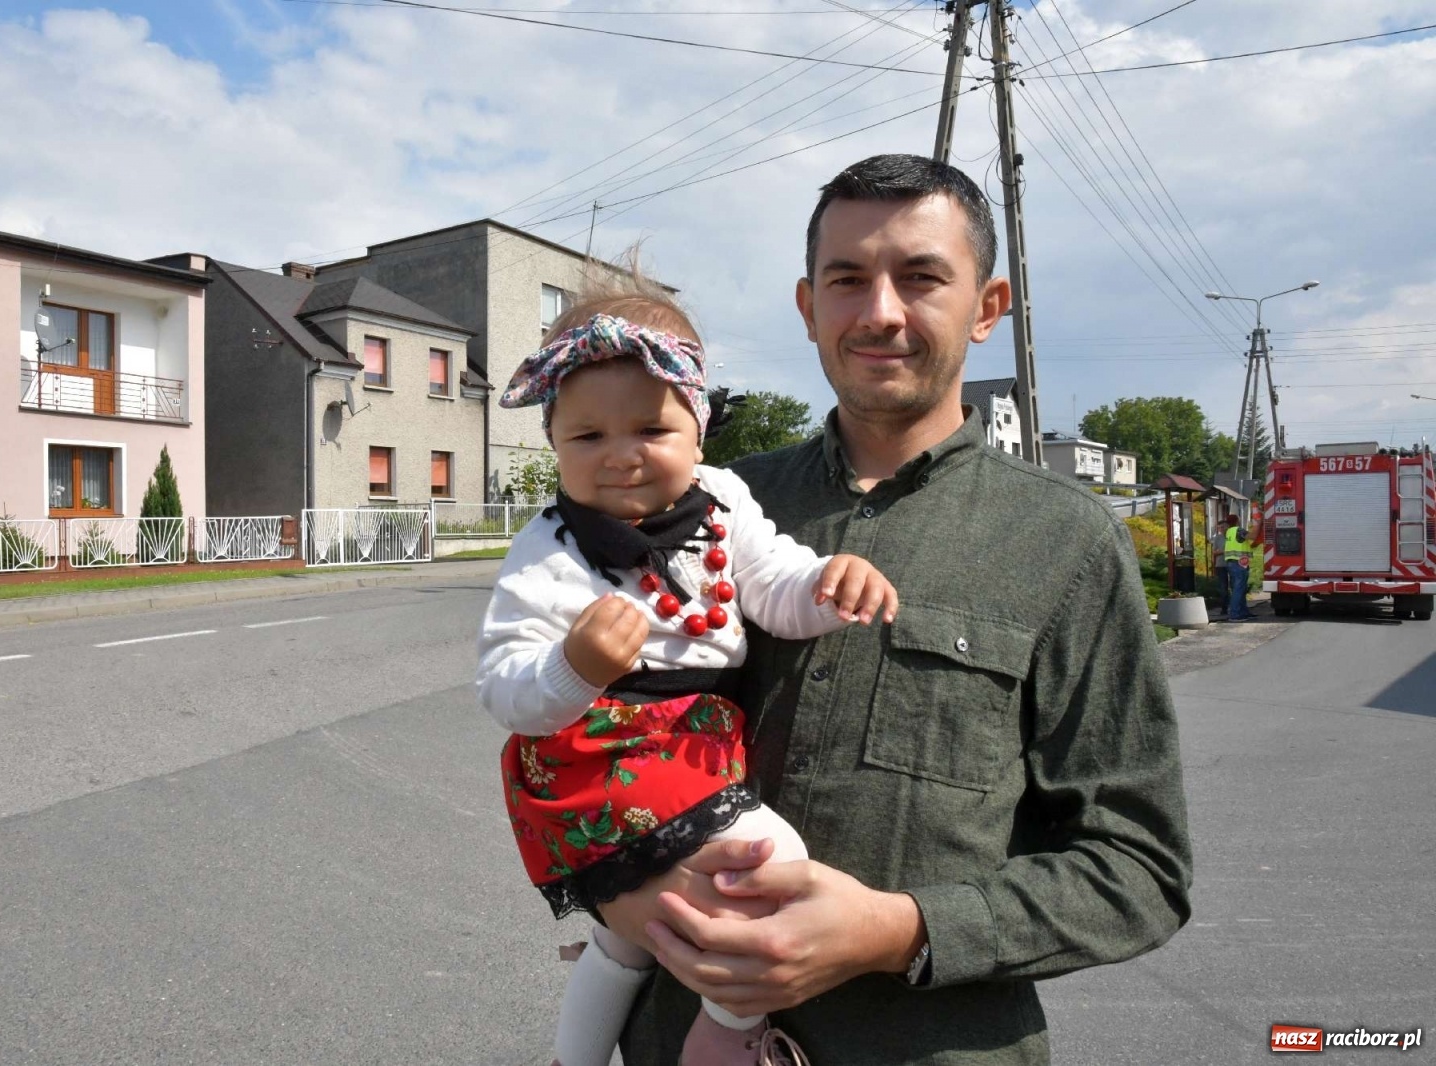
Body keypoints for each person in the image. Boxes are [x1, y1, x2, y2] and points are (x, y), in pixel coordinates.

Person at [605, 154, 1194, 1065]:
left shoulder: (1066, 543)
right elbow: (589, 741)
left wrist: (898, 931)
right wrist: (615, 896)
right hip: (673, 1036)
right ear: (809, 307)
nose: (880, 311)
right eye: (847, 280)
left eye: (921, 278)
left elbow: (1139, 870)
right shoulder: (707, 508)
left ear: (987, 308)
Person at [476, 275, 897, 1066]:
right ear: (553, 441)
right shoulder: (550, 547)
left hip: (693, 741)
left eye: (651, 428)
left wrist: (828, 585)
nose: (620, 456)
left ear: (698, 432)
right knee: (773, 859)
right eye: (587, 436)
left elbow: (773, 586)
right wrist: (572, 667)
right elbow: (502, 683)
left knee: (624, 946)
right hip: (599, 749)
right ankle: (727, 1031)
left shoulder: (723, 500)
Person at [1224, 517, 1256, 621]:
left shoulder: (1229, 532)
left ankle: (1243, 612)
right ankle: (1235, 614)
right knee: (1239, 589)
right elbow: (1253, 536)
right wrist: (1259, 523)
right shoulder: (1239, 531)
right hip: (1239, 563)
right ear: (1237, 521)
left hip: (1232, 562)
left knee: (1239, 588)